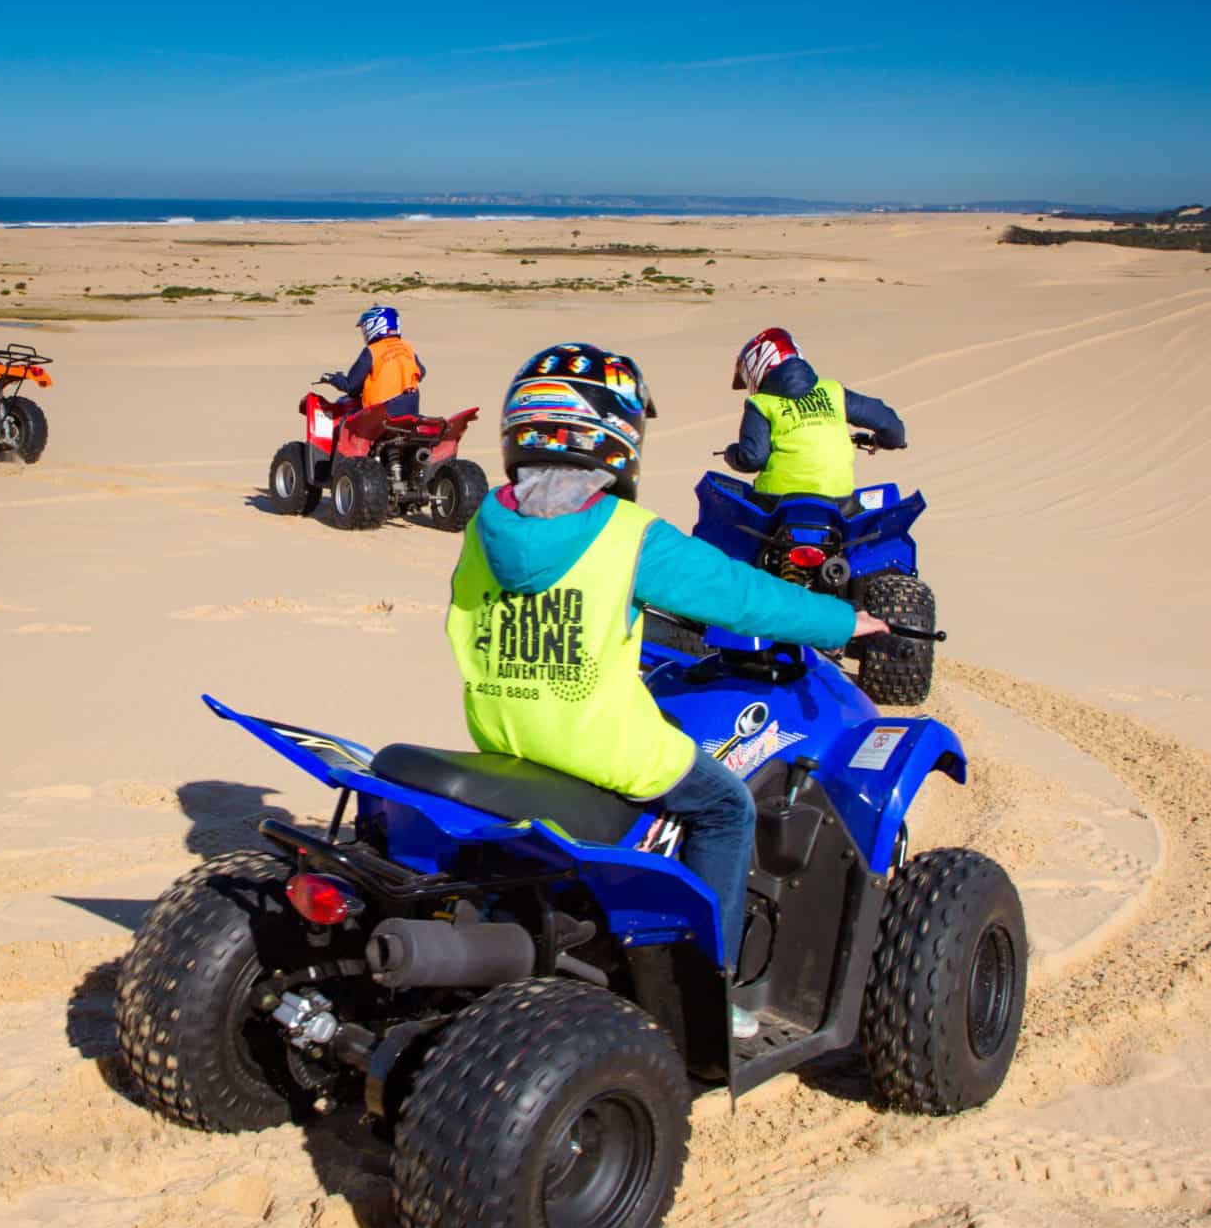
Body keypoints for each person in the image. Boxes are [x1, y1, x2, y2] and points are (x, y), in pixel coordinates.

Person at [446, 342, 887, 1038]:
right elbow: (739, 596)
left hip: (503, 735)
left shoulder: (484, 526)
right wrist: (841, 618)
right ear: (615, 437)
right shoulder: (628, 535)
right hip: (600, 749)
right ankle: (717, 992)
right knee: (727, 807)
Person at [721, 327, 906, 499]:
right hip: (838, 500)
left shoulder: (761, 403)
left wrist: (732, 453)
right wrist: (884, 441)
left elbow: (753, 458)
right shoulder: (833, 391)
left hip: (777, 502)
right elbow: (890, 425)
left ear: (758, 367)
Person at [321, 305, 424, 418]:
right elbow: (421, 372)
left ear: (375, 325)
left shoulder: (372, 351)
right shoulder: (406, 347)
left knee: (345, 420)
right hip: (411, 409)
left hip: (383, 412)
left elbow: (351, 386)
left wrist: (332, 378)